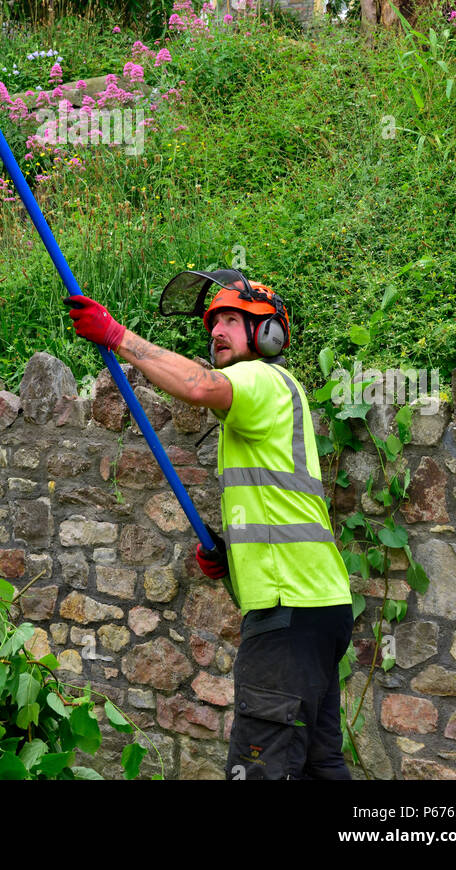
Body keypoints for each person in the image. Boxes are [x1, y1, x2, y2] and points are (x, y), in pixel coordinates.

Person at [65, 268, 354, 781]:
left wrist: (116, 335)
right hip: (318, 608)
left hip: (287, 613)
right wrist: (232, 552)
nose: (215, 331)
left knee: (259, 769)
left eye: (230, 320)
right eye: (212, 322)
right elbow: (277, 509)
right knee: (319, 765)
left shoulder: (262, 379)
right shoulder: (261, 406)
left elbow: (197, 386)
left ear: (266, 334)